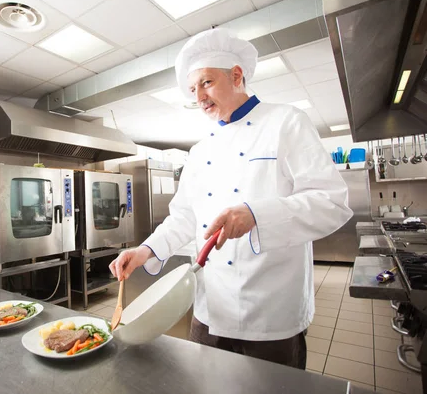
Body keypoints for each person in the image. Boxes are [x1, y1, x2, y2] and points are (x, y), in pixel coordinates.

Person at [109, 28, 353, 369]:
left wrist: (257, 214)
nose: (200, 97)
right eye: (193, 89)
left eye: (206, 83)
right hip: (210, 308)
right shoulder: (199, 150)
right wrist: (146, 250)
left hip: (271, 310)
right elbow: (184, 217)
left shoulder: (286, 123)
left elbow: (332, 202)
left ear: (236, 76)